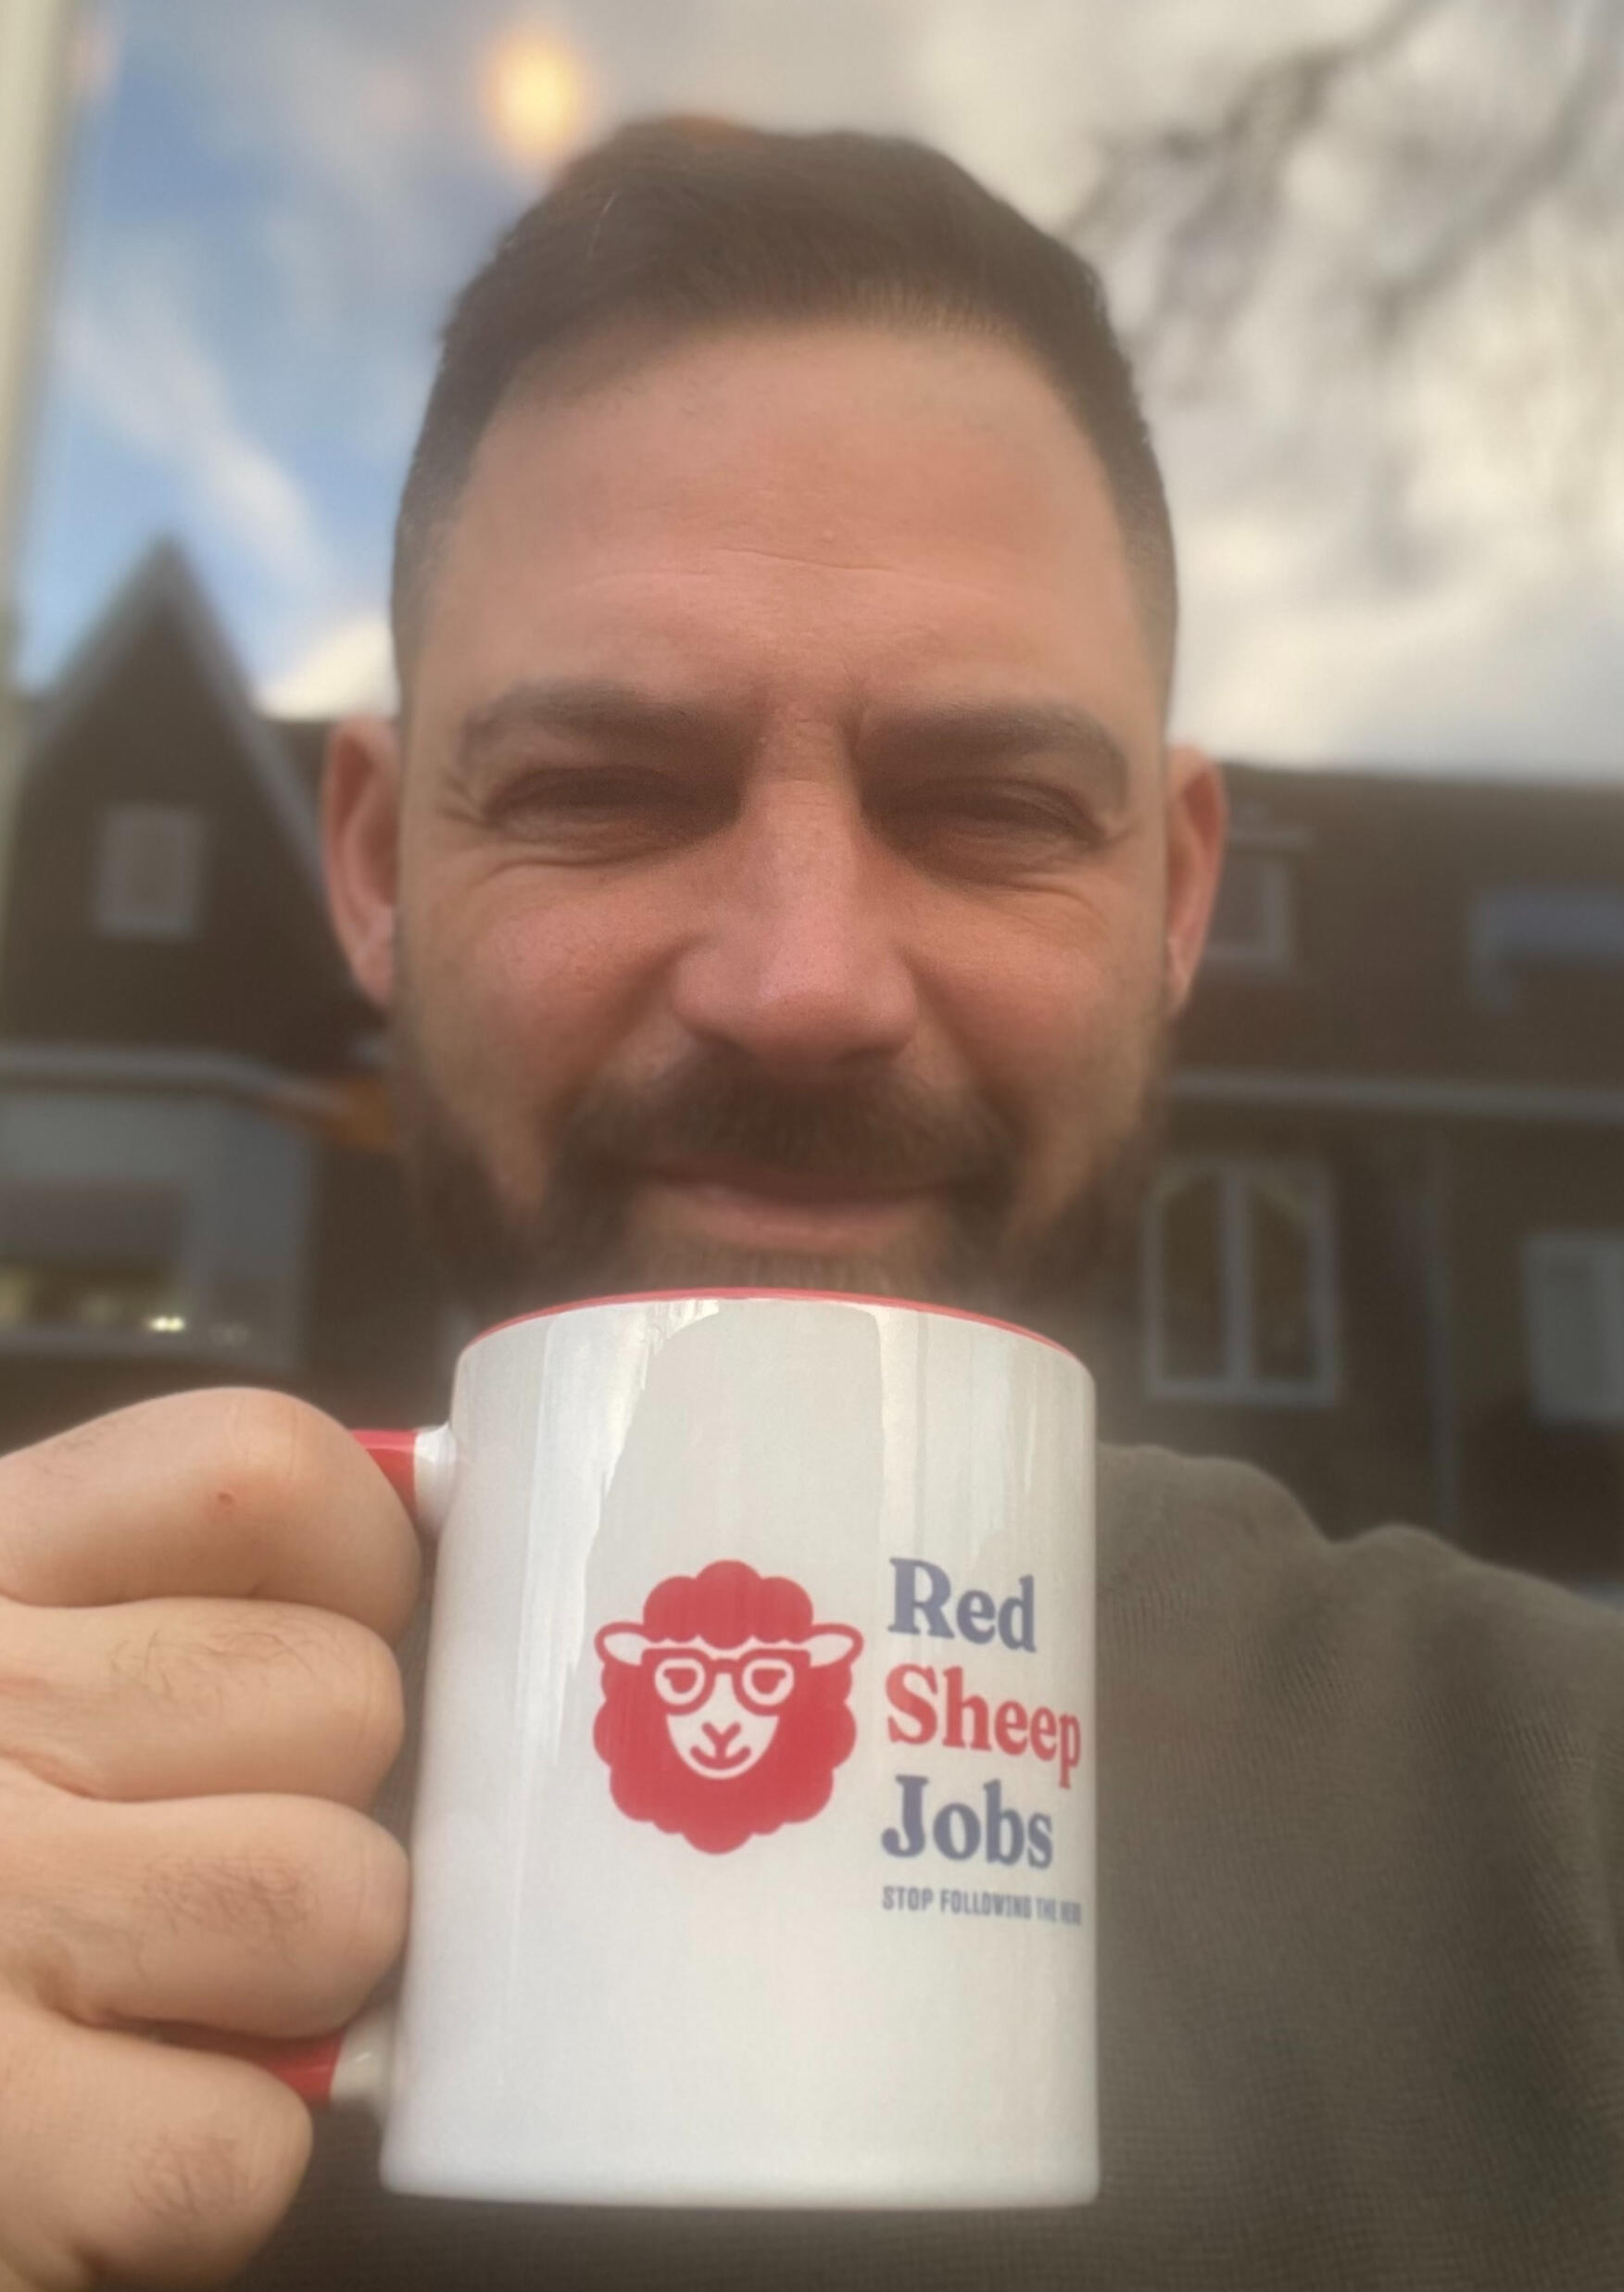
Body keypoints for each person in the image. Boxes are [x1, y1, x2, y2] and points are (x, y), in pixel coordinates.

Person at [0, 116, 1620, 2292]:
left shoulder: (1564, 1818)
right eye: (598, 787)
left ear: (1174, 896)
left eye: (992, 803)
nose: (802, 981)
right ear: (376, 861)